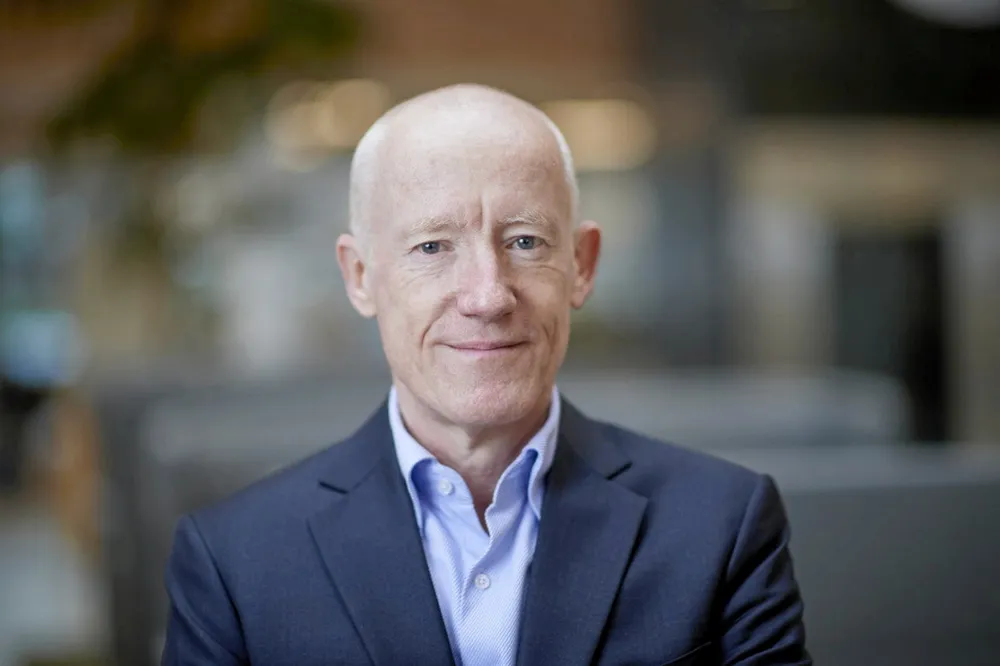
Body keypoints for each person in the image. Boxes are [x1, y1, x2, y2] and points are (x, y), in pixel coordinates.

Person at [162, 84, 810, 666]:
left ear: (582, 265)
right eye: (432, 247)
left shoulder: (723, 525)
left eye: (525, 241)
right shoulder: (232, 561)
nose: (488, 296)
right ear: (360, 277)